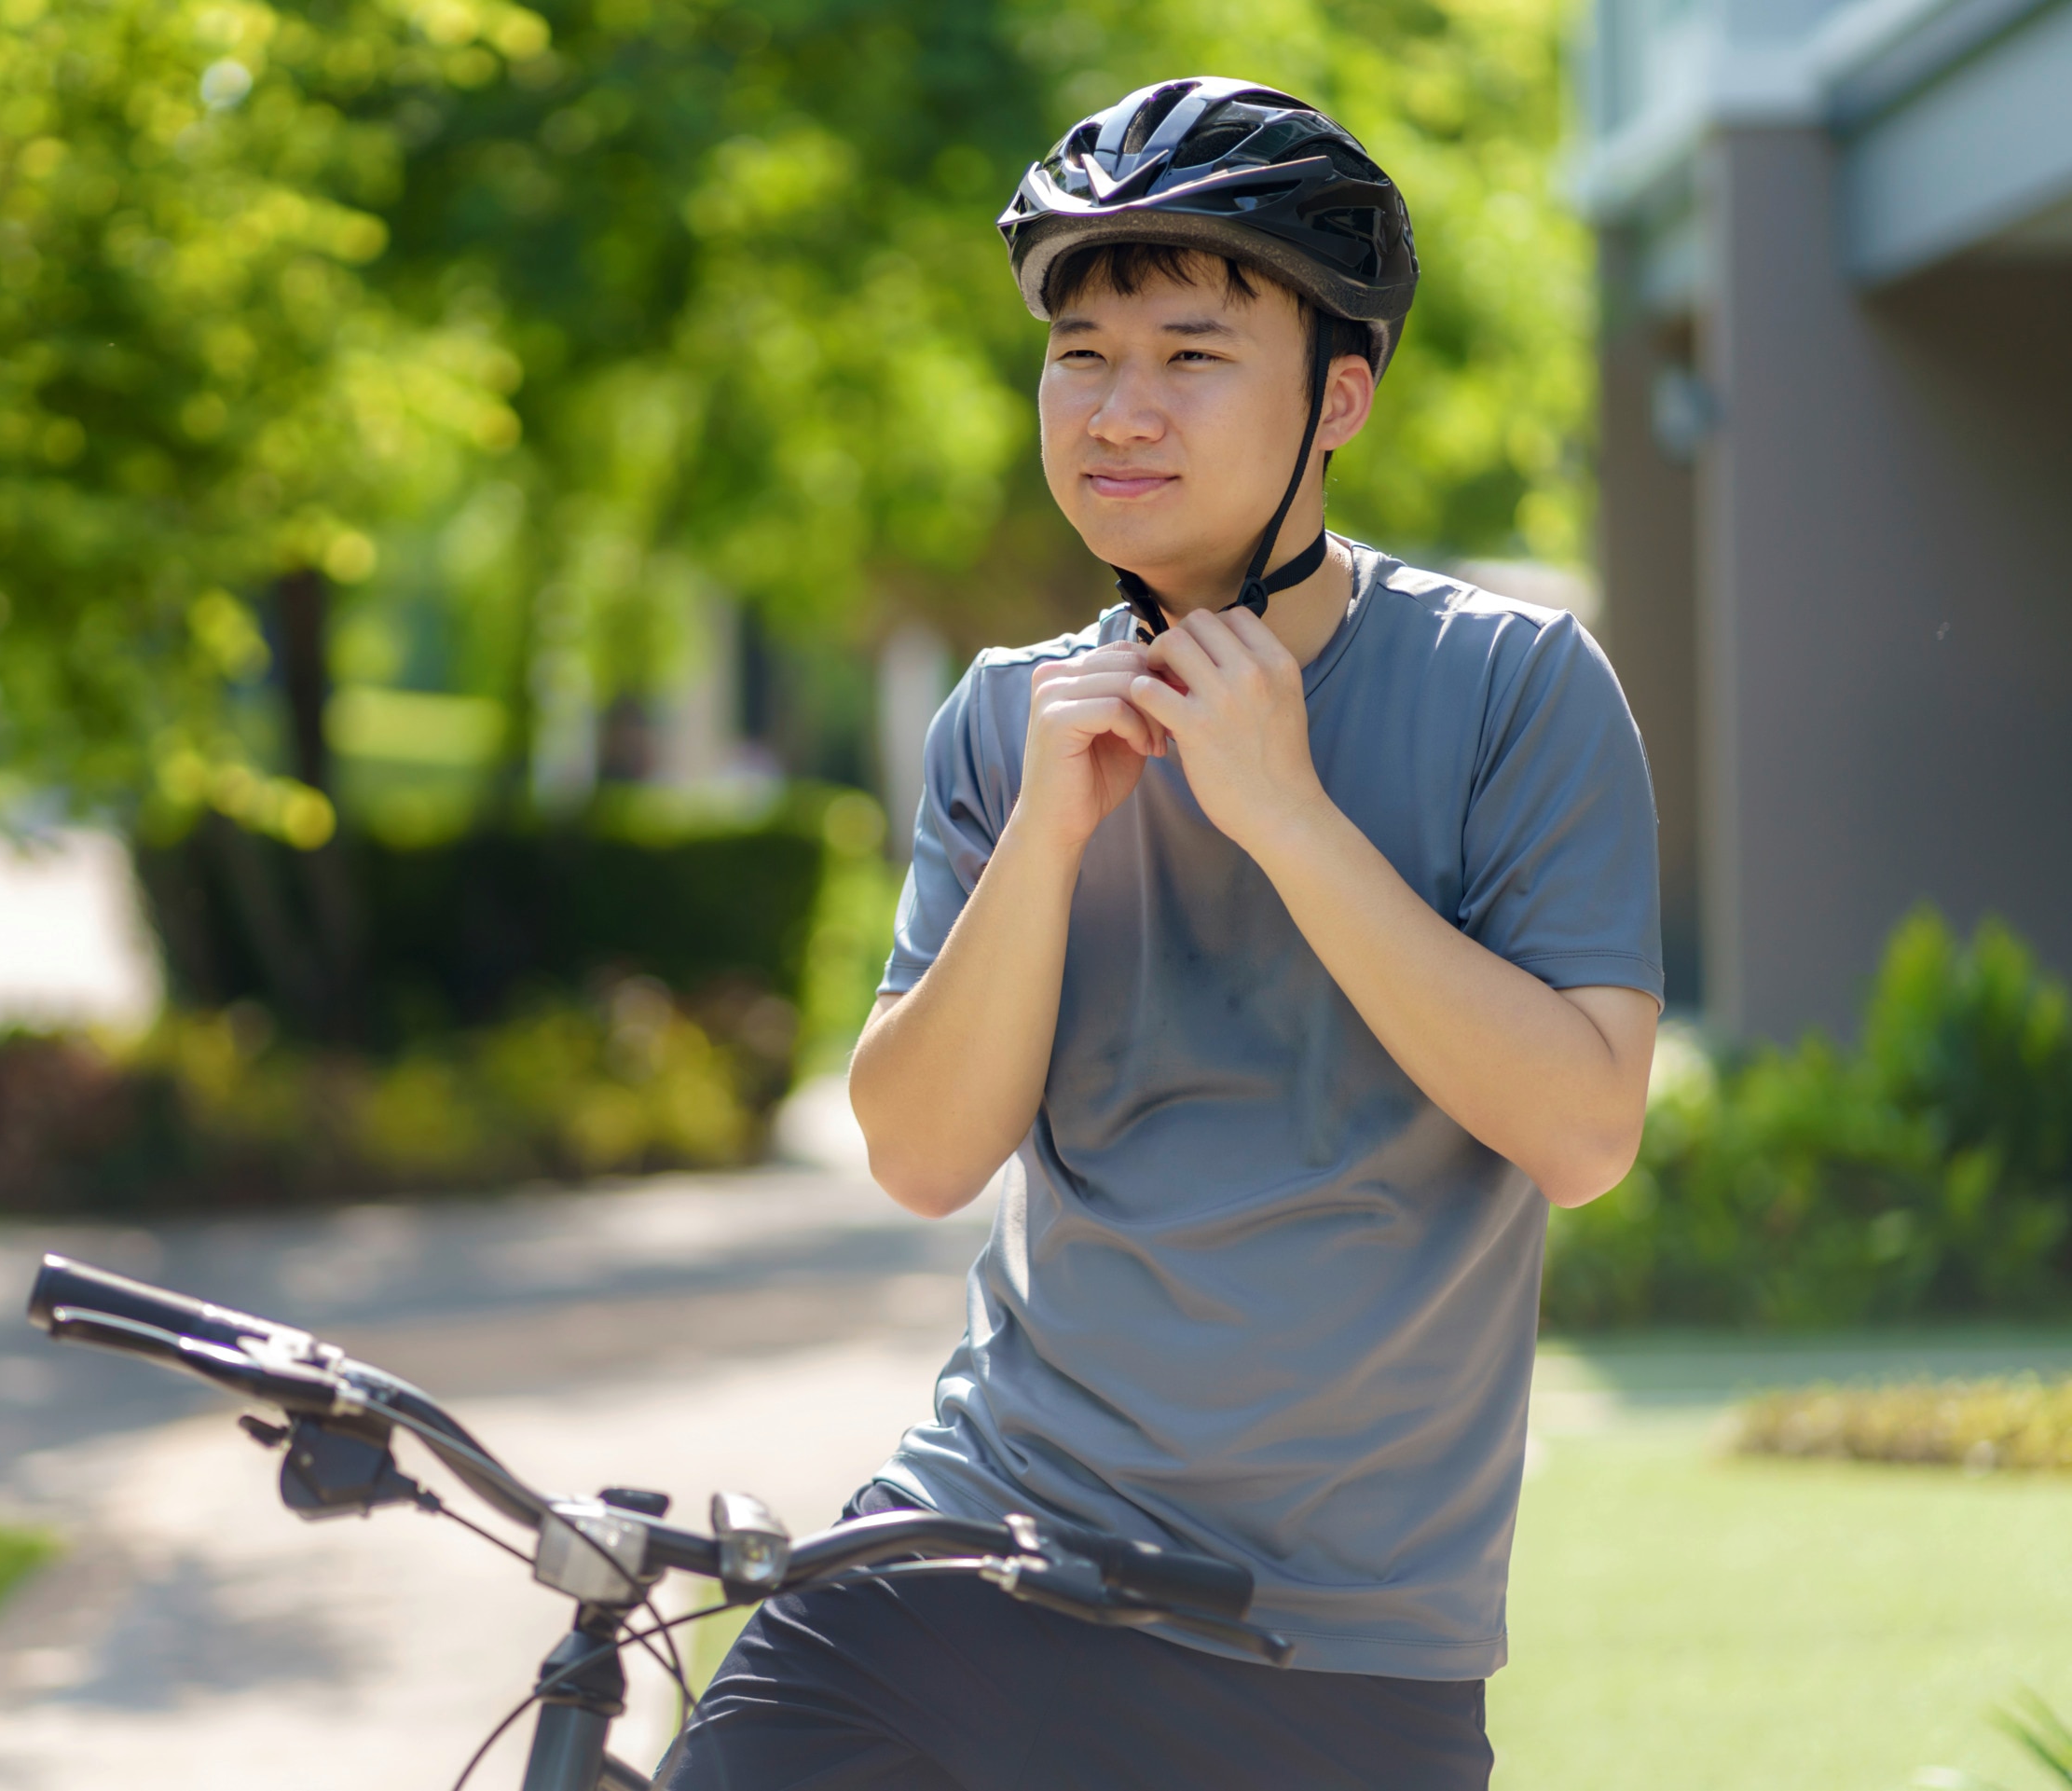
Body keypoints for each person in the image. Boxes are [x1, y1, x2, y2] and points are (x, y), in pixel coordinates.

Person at [658, 77, 1662, 1789]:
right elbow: (919, 1153)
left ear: (1338, 398)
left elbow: (1582, 1130)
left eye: (1192, 355)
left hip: (1333, 1642)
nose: (1120, 410)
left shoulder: (1514, 687)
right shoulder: (1006, 721)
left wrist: (1288, 815)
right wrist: (1046, 832)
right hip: (973, 1550)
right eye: (1082, 356)